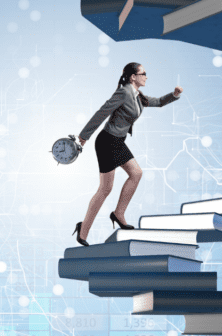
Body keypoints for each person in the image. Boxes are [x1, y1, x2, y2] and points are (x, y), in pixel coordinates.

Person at [73, 62, 182, 246]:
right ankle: (83, 231)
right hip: (107, 142)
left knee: (136, 173)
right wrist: (84, 135)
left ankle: (118, 214)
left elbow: (157, 102)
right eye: (143, 73)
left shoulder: (138, 95)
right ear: (133, 77)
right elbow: (102, 112)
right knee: (105, 189)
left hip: (118, 141)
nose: (146, 76)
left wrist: (174, 95)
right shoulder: (124, 92)